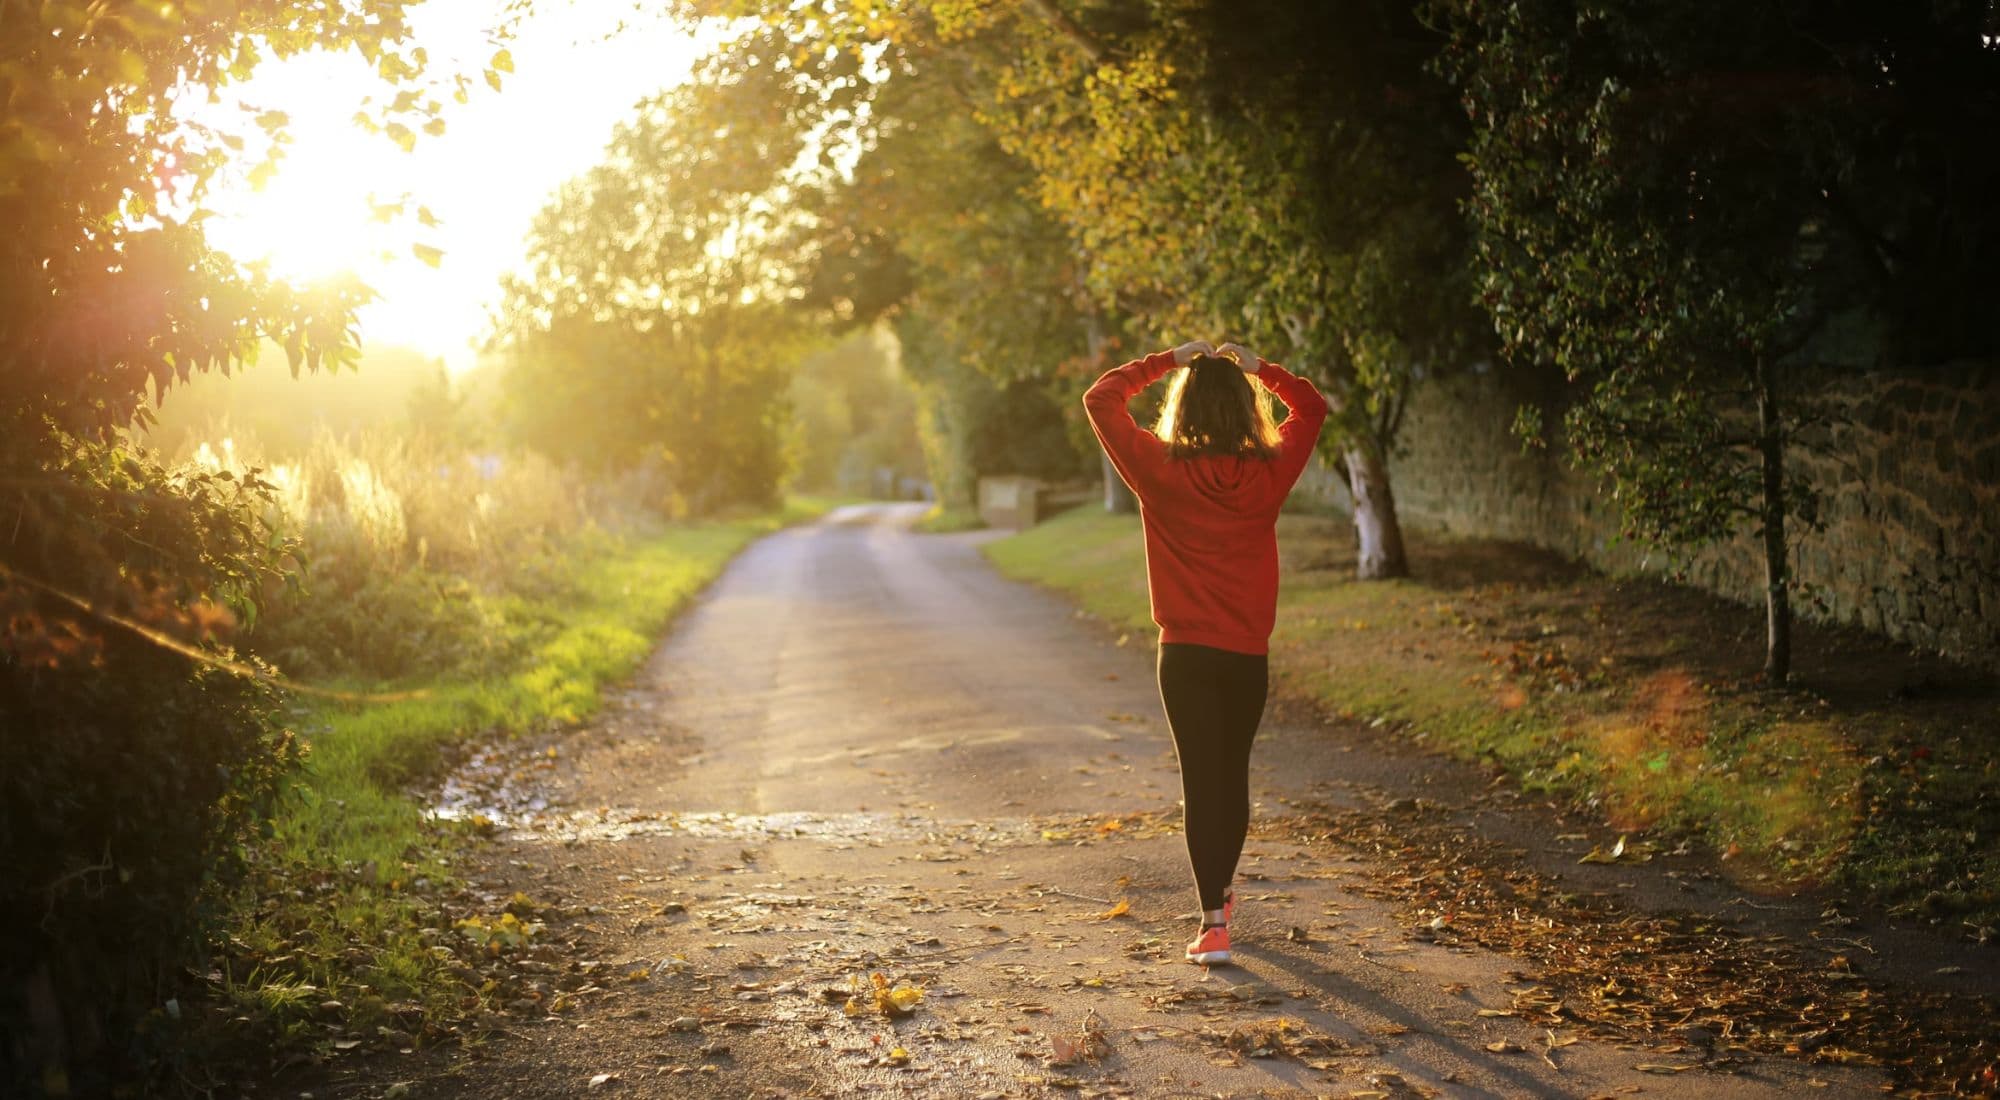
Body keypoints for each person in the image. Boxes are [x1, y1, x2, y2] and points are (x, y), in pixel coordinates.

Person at [1082, 338, 1328, 965]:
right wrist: (1260, 369)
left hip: (1185, 655)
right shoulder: (1269, 473)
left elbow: (1101, 398)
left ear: (1183, 409)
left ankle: (1213, 921)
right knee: (1232, 776)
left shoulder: (1158, 469)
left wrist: (1167, 360)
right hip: (1246, 654)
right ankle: (1218, 895)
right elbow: (1312, 407)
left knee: (1201, 780)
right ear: (1246, 410)